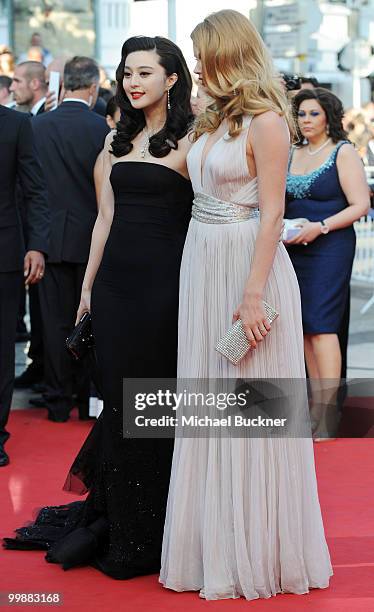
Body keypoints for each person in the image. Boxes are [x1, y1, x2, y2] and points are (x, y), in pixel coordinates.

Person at [4, 36, 194, 580]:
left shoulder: (194, 139)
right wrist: (88, 289)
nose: (134, 82)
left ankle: (155, 526)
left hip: (167, 286)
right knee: (117, 396)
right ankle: (118, 514)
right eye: (127, 73)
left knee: (154, 400)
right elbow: (103, 221)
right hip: (113, 286)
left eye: (145, 73)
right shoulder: (113, 139)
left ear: (171, 79)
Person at [159, 10, 333, 600]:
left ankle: (256, 553)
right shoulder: (210, 122)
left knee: (251, 414)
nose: (193, 65)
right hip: (202, 262)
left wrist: (253, 294)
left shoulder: (266, 121)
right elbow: (167, 171)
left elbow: (273, 214)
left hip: (246, 270)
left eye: (199, 53)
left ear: (225, 55)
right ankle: (213, 547)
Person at [284, 88, 370, 436]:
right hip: (293, 247)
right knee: (303, 328)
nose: (306, 120)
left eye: (313, 114)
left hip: (330, 247)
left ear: (329, 116)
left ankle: (328, 415)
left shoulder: (342, 151)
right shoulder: (291, 152)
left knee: (322, 326)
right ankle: (313, 410)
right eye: (301, 114)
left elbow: (360, 205)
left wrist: (320, 227)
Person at [28, 56, 109, 422]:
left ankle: (56, 400)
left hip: (50, 240)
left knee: (54, 321)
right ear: (92, 88)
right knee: (90, 319)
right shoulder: (102, 131)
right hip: (92, 238)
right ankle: (84, 398)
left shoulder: (38, 126)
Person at [0, 105, 50, 467]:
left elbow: (36, 189)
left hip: (4, 253)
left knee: (2, 348)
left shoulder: (17, 124)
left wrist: (36, 245)